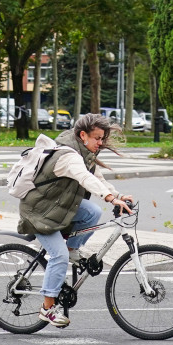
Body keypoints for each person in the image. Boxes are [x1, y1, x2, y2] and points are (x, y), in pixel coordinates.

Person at [17, 113, 134, 328]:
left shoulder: (85, 152)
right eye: (98, 138)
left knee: (92, 212)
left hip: (58, 206)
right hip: (40, 212)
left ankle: (73, 249)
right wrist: (109, 198)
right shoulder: (68, 156)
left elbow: (97, 177)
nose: (101, 143)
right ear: (83, 135)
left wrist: (116, 195)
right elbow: (84, 178)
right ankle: (47, 308)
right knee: (58, 256)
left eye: (102, 139)